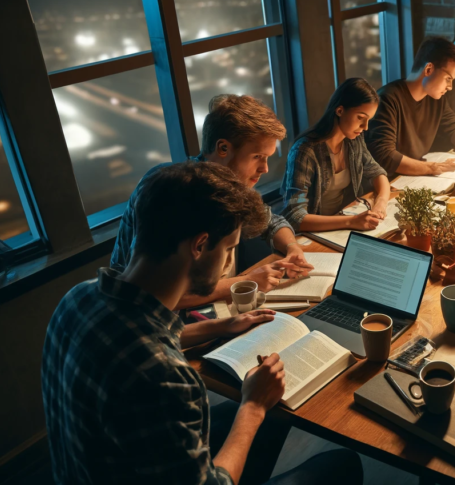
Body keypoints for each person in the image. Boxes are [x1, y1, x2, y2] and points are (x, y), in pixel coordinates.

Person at [43, 162, 363, 485]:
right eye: (229, 249)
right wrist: (252, 406)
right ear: (199, 246)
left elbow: (140, 336)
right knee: (342, 464)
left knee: (277, 417)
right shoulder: (165, 378)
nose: (228, 262)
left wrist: (221, 326)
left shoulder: (75, 301)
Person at [110, 95, 312, 309]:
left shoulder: (230, 185)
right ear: (223, 148)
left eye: (267, 158)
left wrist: (292, 247)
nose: (265, 168)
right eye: (257, 157)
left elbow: (271, 221)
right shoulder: (173, 192)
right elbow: (154, 295)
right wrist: (246, 281)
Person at [281, 78, 391, 232]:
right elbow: (294, 216)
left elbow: (378, 173)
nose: (365, 127)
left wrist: (381, 202)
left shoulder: (354, 140)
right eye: (360, 118)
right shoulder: (305, 150)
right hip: (315, 232)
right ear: (339, 111)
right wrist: (351, 221)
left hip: (344, 223)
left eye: (368, 120)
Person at [366, 37, 455, 176]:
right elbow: (385, 155)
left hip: (415, 178)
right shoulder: (387, 99)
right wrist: (432, 168)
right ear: (428, 69)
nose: (450, 87)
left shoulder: (435, 98)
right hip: (389, 184)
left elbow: (452, 125)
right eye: (448, 79)